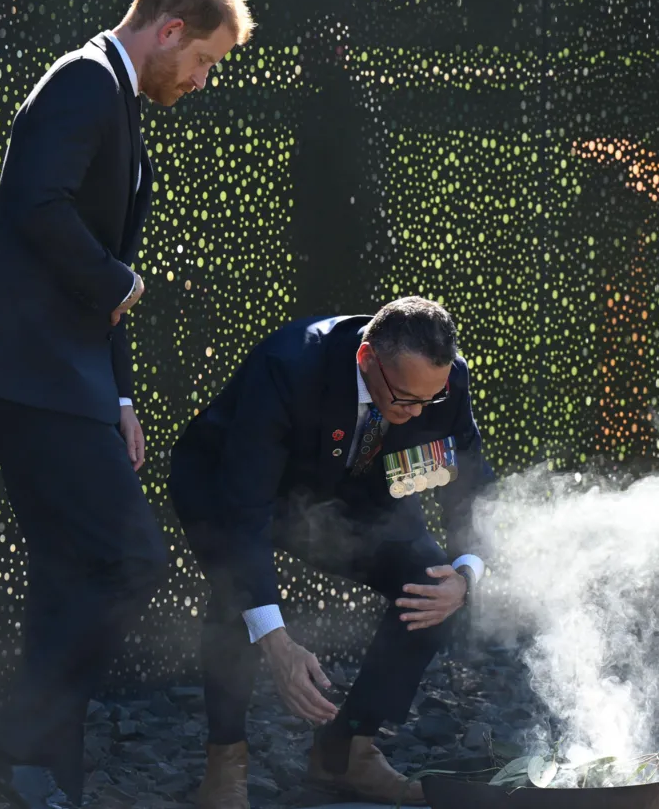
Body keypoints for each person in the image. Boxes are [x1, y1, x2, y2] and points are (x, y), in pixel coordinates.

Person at [0, 0, 253, 809]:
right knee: (129, 558)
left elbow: (100, 259)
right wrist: (116, 286)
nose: (201, 81)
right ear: (171, 31)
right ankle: (10, 759)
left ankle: (40, 781)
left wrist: (119, 397)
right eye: (205, 62)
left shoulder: (113, 93)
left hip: (64, 373)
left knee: (73, 569)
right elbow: (33, 203)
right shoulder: (82, 81)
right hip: (31, 370)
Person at [169, 297, 496, 809]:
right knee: (241, 594)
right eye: (406, 400)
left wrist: (466, 576)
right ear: (367, 359)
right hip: (232, 485)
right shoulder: (288, 367)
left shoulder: (442, 383)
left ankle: (346, 753)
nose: (417, 414)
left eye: (429, 402)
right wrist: (276, 641)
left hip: (357, 488)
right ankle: (224, 764)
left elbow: (472, 482)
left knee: (434, 587)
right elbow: (244, 515)